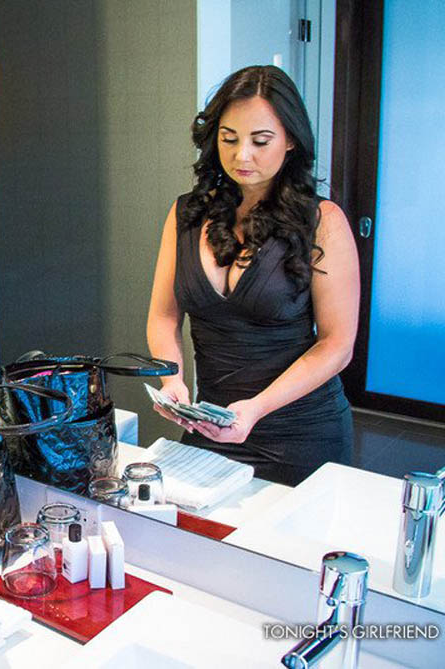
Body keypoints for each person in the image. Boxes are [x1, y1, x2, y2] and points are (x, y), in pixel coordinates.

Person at [146, 65, 360, 487]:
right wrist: (171, 380)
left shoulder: (324, 222)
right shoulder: (186, 213)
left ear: (291, 140)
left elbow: (337, 345)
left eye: (260, 141)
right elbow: (163, 317)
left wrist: (256, 408)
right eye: (229, 139)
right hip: (211, 427)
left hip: (300, 432)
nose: (242, 155)